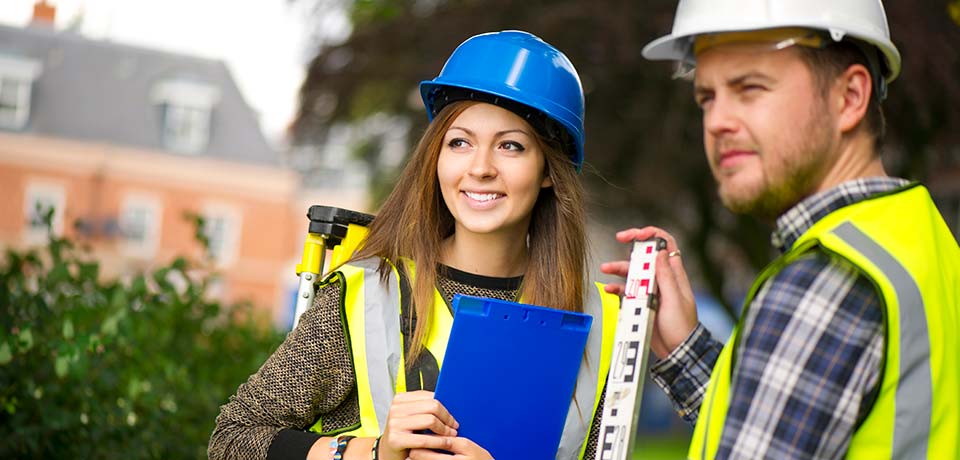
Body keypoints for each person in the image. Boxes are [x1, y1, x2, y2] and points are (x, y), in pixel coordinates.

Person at [209, 30, 620, 460]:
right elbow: (234, 439)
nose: (480, 168)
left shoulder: (599, 323)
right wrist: (375, 453)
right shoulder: (367, 295)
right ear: (436, 157)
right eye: (459, 142)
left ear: (548, 171)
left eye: (511, 146)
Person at [601, 0, 960, 458]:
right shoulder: (915, 237)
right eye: (707, 97)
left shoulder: (823, 281)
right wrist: (685, 349)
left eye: (749, 88)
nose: (717, 122)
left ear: (849, 97)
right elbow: (794, 420)